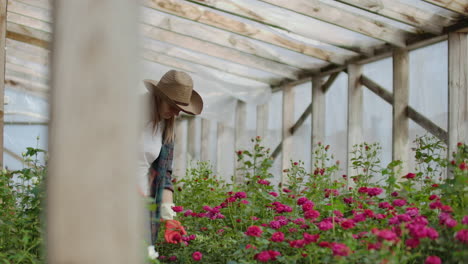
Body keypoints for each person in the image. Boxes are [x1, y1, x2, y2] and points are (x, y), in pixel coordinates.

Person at [138, 70, 203, 257]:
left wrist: (169, 217)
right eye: (173, 105)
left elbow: (164, 173)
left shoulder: (166, 127)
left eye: (180, 108)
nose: (176, 112)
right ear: (158, 96)